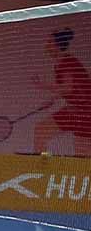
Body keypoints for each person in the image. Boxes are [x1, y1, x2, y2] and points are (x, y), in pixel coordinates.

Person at [32, 28, 91, 156]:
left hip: (86, 114)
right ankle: (42, 166)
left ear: (57, 45)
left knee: (82, 156)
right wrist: (51, 100)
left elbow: (67, 88)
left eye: (49, 42)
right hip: (73, 110)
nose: (46, 46)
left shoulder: (68, 62)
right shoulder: (59, 64)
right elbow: (68, 90)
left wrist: (43, 85)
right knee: (41, 131)